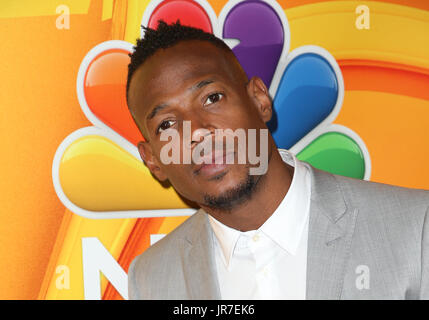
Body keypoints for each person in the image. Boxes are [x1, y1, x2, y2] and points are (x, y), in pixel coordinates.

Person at [125, 20, 429, 299]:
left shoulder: (416, 229)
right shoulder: (151, 279)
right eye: (166, 124)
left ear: (259, 99)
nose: (197, 132)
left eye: (212, 98)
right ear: (152, 160)